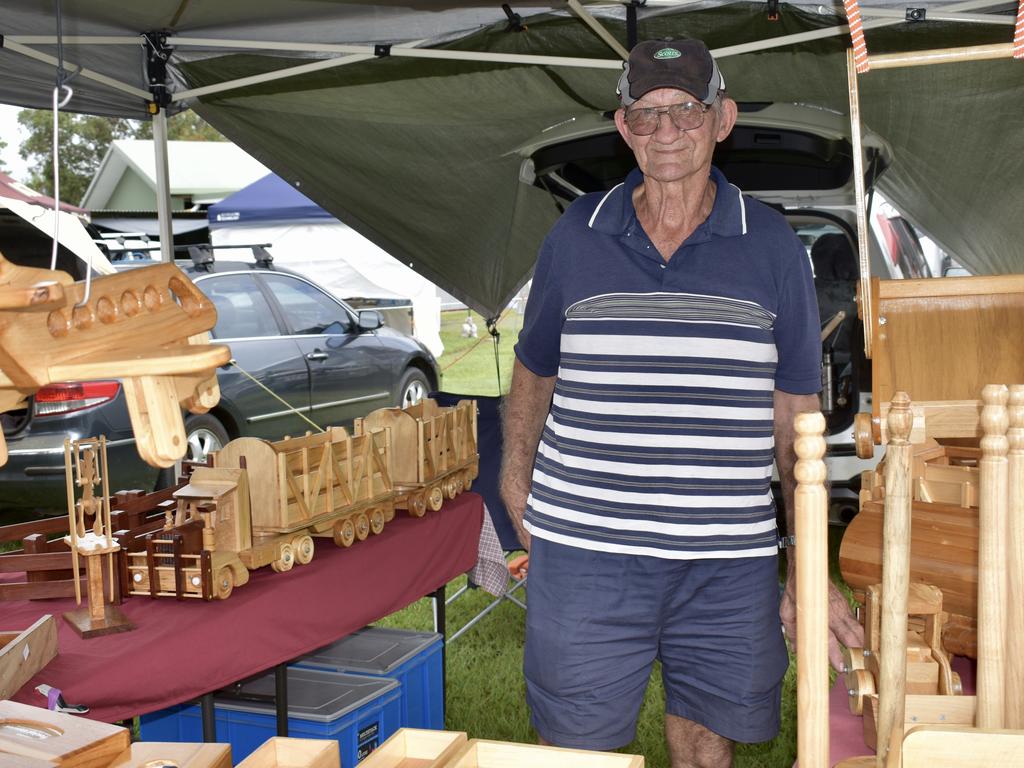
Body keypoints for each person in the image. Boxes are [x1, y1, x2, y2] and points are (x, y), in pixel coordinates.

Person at [500, 37, 863, 767]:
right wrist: (514, 478)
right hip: (588, 552)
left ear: (721, 118)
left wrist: (807, 563)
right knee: (574, 751)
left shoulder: (772, 247)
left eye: (686, 112)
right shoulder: (576, 235)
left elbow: (796, 420)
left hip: (725, 559)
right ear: (623, 125)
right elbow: (534, 368)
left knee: (704, 746)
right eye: (646, 114)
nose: (666, 132)